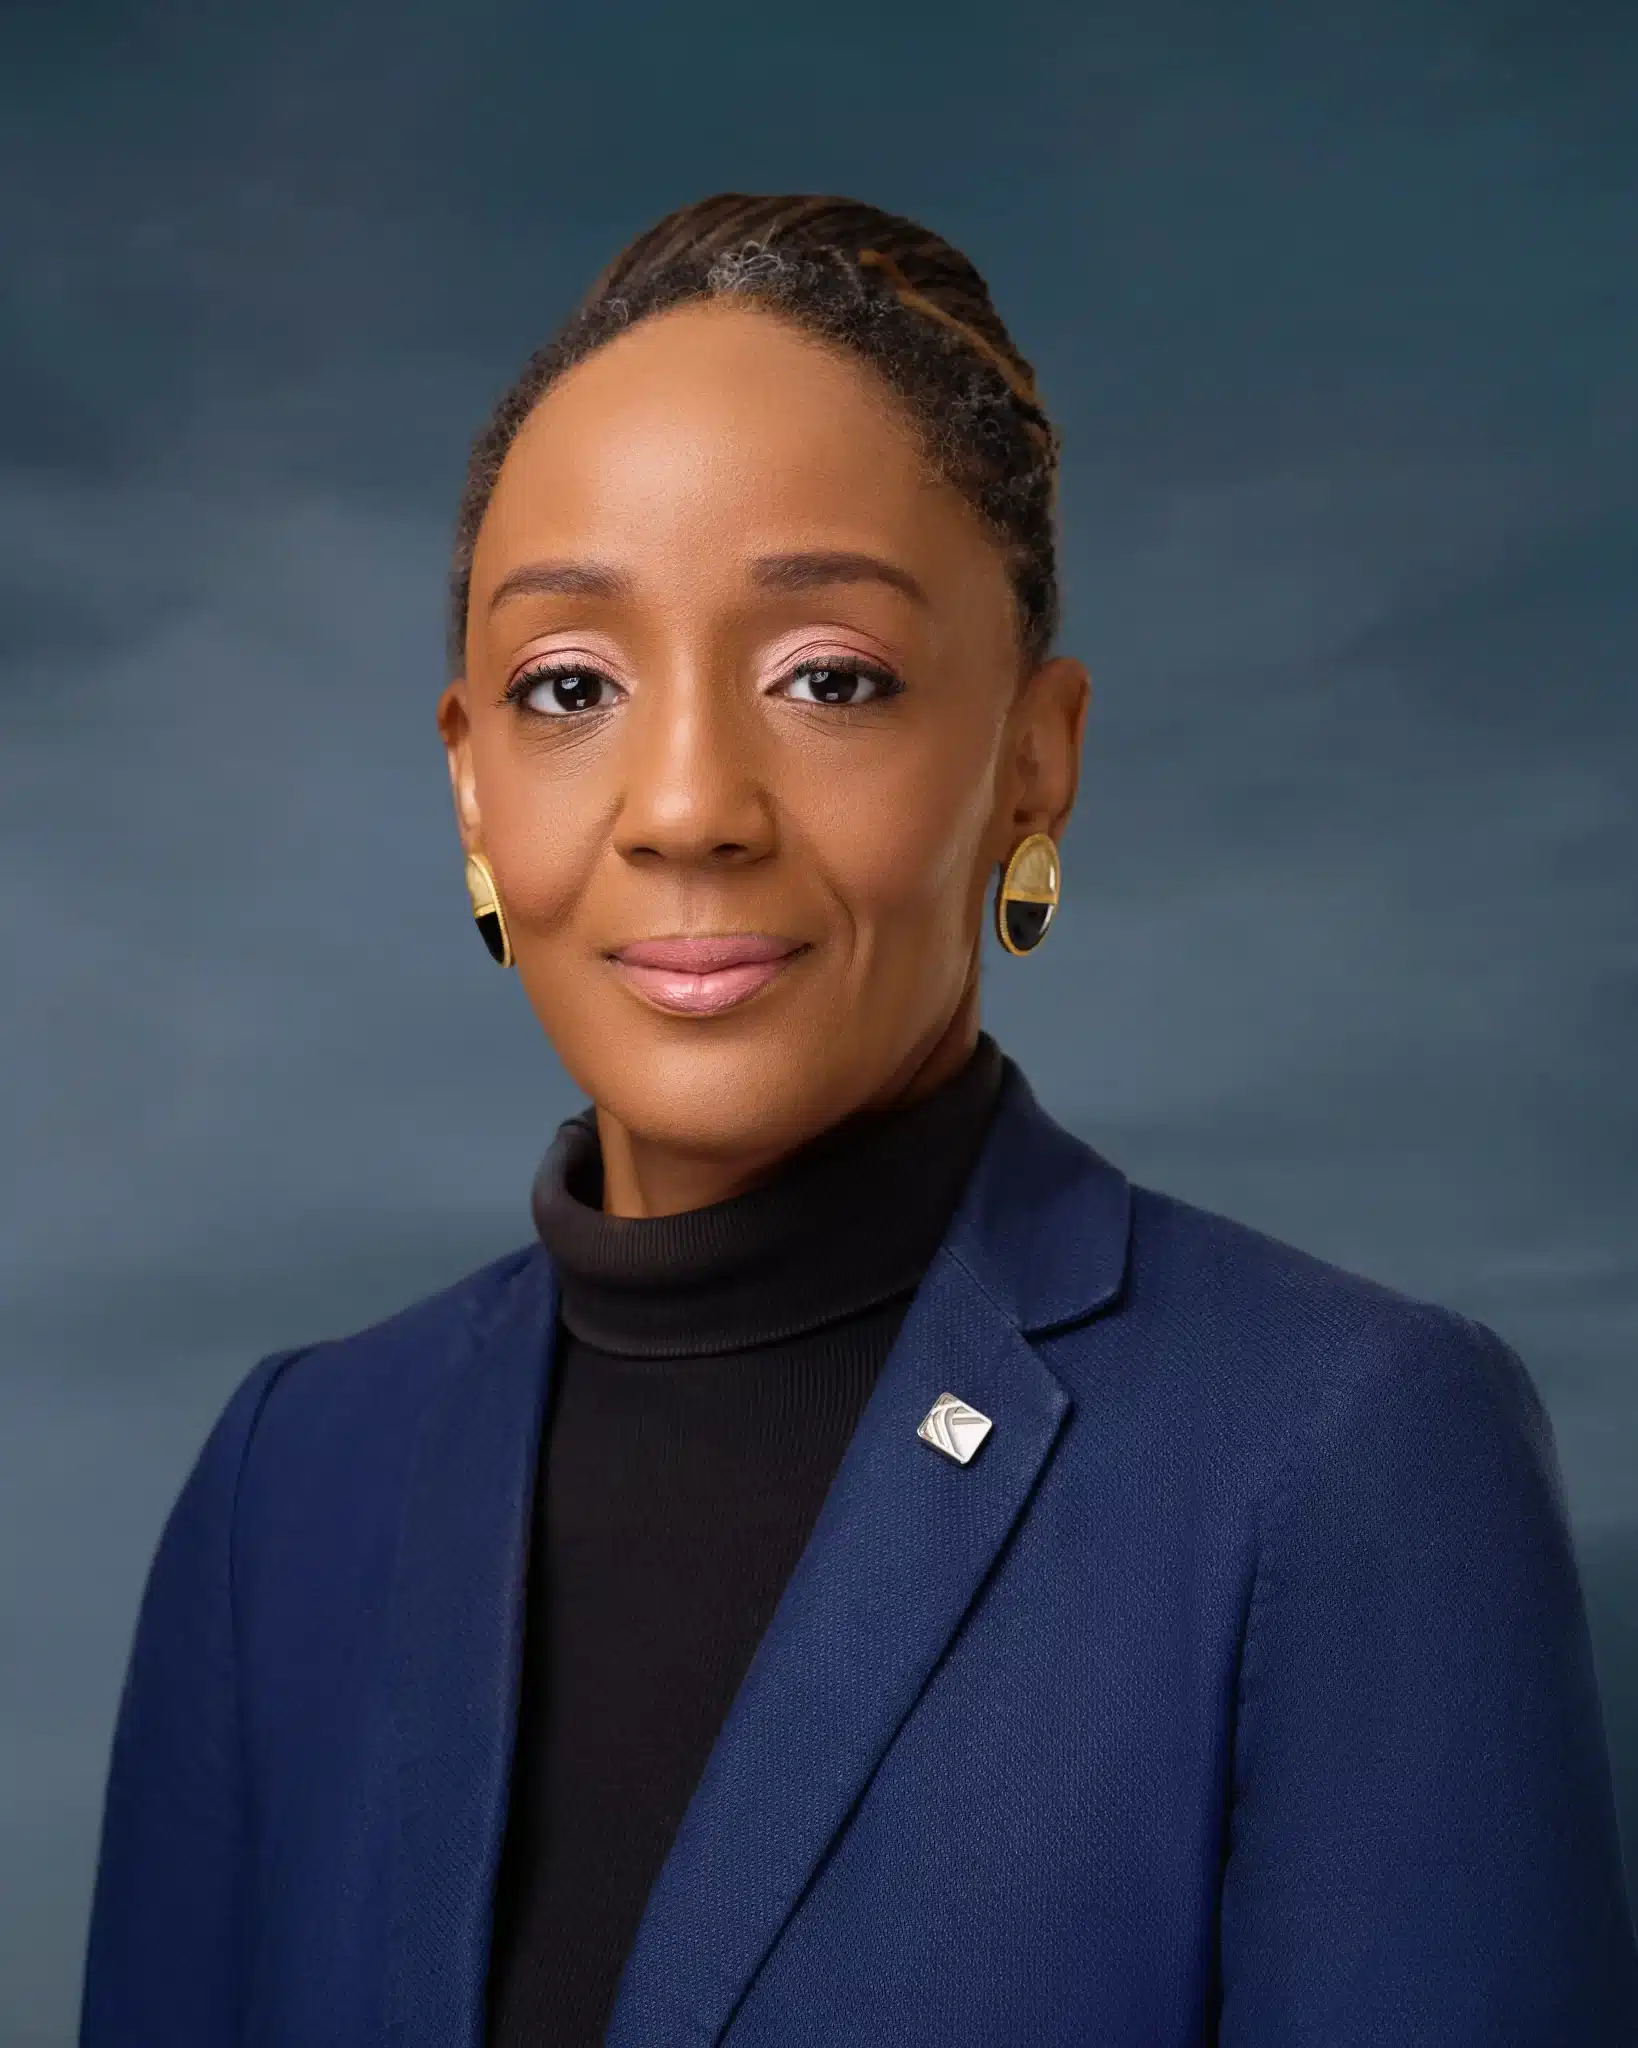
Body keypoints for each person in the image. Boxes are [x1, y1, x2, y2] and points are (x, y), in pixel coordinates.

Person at [79, 191, 1638, 2048]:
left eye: (828, 678)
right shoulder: (289, 1485)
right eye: (568, 687)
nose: (683, 807)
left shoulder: (1341, 1455)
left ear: (1032, 761)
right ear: (474, 788)